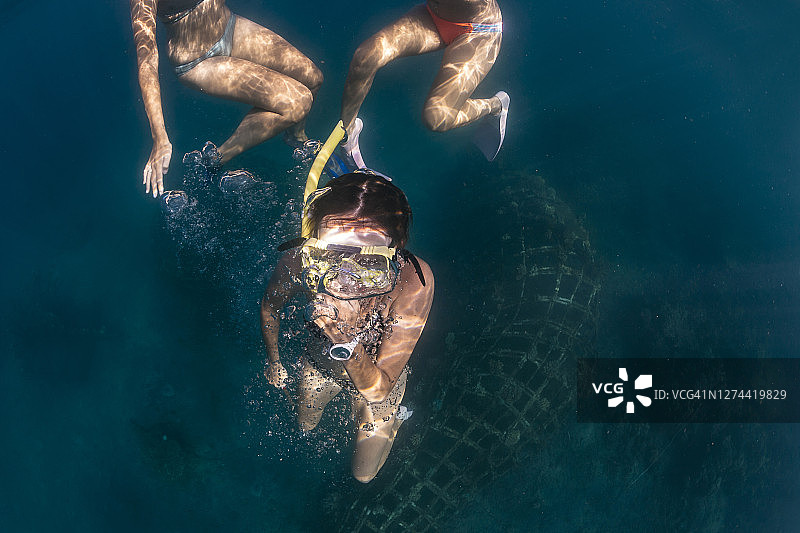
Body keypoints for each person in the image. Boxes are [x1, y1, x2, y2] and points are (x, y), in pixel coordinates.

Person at [260, 172, 434, 482]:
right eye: (330, 255)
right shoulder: (299, 261)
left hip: (380, 377)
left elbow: (379, 389)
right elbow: (270, 306)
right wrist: (275, 361)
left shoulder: (412, 280)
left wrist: (343, 341)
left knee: (363, 475)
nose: (345, 276)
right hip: (320, 365)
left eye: (368, 261)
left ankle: (395, 422)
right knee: (304, 426)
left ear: (395, 249)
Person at [131, 0, 323, 197]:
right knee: (299, 102)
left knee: (313, 78)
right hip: (198, 60)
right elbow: (147, 61)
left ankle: (295, 136)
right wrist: (159, 137)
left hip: (231, 27)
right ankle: (217, 159)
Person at [338, 0, 510, 163]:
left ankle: (496, 105)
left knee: (437, 117)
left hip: (479, 31)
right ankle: (347, 135)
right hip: (432, 17)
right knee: (365, 58)